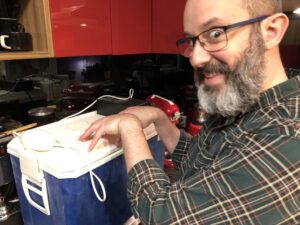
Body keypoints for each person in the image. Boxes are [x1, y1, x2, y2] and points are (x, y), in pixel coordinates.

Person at [80, 0, 300, 224]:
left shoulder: (287, 137)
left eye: (215, 34)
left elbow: (161, 217)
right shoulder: (247, 100)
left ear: (271, 31)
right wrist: (160, 120)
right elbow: (201, 163)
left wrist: (129, 128)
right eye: (191, 41)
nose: (195, 58)